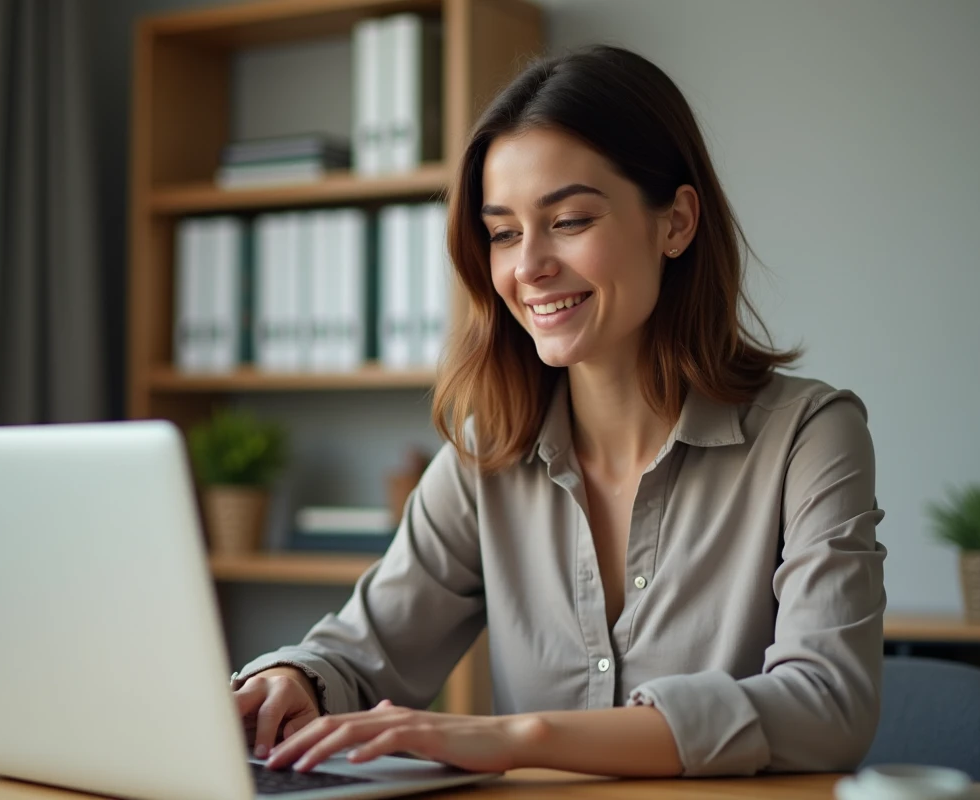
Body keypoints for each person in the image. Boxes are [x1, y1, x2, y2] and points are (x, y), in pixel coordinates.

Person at [230, 44, 886, 779]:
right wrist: (293, 681)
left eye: (569, 220)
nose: (527, 266)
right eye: (504, 232)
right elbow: (359, 650)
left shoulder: (810, 436)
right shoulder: (488, 457)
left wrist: (518, 738)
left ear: (676, 223)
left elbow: (830, 707)